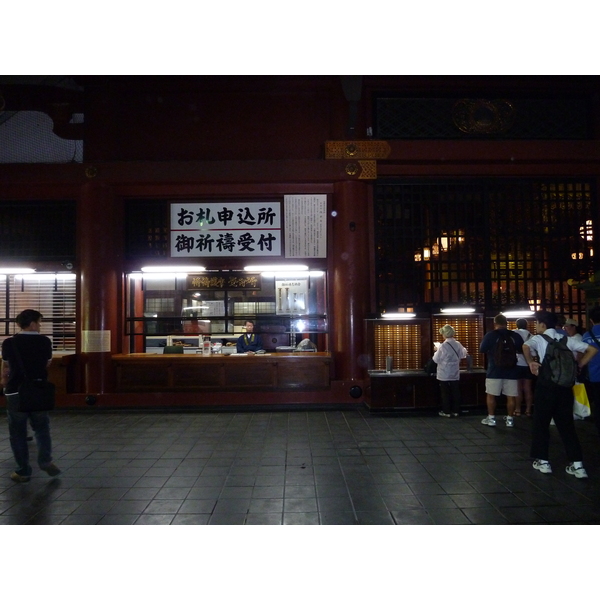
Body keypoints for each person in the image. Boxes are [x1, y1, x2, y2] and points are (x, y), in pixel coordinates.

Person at [522, 310, 597, 478]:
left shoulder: (539, 339)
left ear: (542, 324)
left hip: (546, 388)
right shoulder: (567, 340)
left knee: (541, 423)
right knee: (567, 426)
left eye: (537, 323)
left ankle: (543, 462)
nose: (536, 326)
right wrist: (580, 366)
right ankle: (578, 465)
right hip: (565, 388)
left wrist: (531, 363)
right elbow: (592, 350)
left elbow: (525, 346)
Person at [1, 309, 60, 483]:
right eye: (40, 322)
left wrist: (4, 381)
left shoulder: (9, 343)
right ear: (33, 323)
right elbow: (47, 363)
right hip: (38, 390)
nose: (40, 326)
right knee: (42, 428)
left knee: (17, 432)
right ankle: (45, 461)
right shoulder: (44, 342)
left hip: (15, 391)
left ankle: (23, 471)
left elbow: (6, 367)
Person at [479, 313, 523, 427]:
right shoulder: (514, 335)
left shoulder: (490, 335)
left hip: (494, 370)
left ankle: (492, 418)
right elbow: (521, 349)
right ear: (506, 323)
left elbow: (482, 349)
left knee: (491, 395)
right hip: (512, 370)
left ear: (495, 324)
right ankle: (510, 419)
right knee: (511, 396)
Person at [432, 324, 468, 418]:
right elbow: (463, 354)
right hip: (455, 372)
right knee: (455, 392)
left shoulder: (443, 346)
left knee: (445, 393)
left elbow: (436, 359)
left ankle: (446, 411)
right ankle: (456, 411)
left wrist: (436, 349)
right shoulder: (458, 344)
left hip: (444, 373)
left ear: (444, 334)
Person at [582, 306, 600, 439]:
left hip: (595, 375)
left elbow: (583, 354)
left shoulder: (587, 336)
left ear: (592, 320)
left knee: (598, 405)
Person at [514, 318, 533, 417]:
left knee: (518, 389)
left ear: (517, 325)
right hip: (528, 365)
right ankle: (528, 410)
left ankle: (517, 410)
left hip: (517, 364)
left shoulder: (513, 333)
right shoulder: (531, 336)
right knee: (527, 388)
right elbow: (534, 352)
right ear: (527, 325)